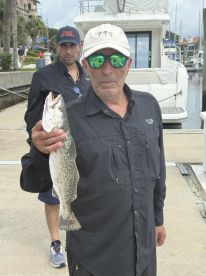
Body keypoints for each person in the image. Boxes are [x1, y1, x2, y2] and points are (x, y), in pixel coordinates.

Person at [21, 23, 166, 276]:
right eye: (97, 60)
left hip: (144, 253)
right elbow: (31, 181)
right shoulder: (68, 118)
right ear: (86, 66)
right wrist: (41, 151)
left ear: (128, 64)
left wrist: (158, 218)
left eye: (116, 59)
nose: (107, 69)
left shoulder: (149, 106)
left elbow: (158, 170)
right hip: (94, 260)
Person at [20, 25, 90, 268]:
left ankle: (81, 237)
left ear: (79, 46)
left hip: (85, 150)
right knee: (53, 195)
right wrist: (37, 140)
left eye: (72, 45)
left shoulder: (88, 76)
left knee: (80, 193)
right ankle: (55, 242)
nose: (68, 50)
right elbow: (31, 116)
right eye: (63, 45)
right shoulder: (44, 76)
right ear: (57, 47)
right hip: (56, 148)